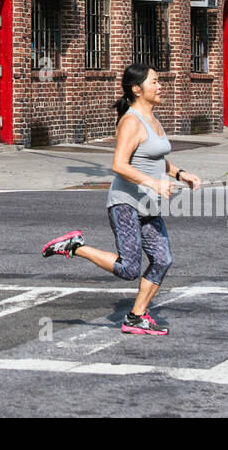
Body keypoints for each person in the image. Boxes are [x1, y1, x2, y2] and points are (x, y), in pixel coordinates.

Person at [41, 64, 201, 335]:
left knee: (162, 260)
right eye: (154, 82)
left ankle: (136, 317)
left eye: (159, 81)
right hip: (126, 203)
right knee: (129, 268)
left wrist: (179, 173)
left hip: (148, 204)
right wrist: (152, 183)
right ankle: (75, 246)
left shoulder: (152, 117)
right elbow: (119, 164)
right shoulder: (131, 121)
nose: (160, 86)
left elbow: (155, 157)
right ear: (137, 89)